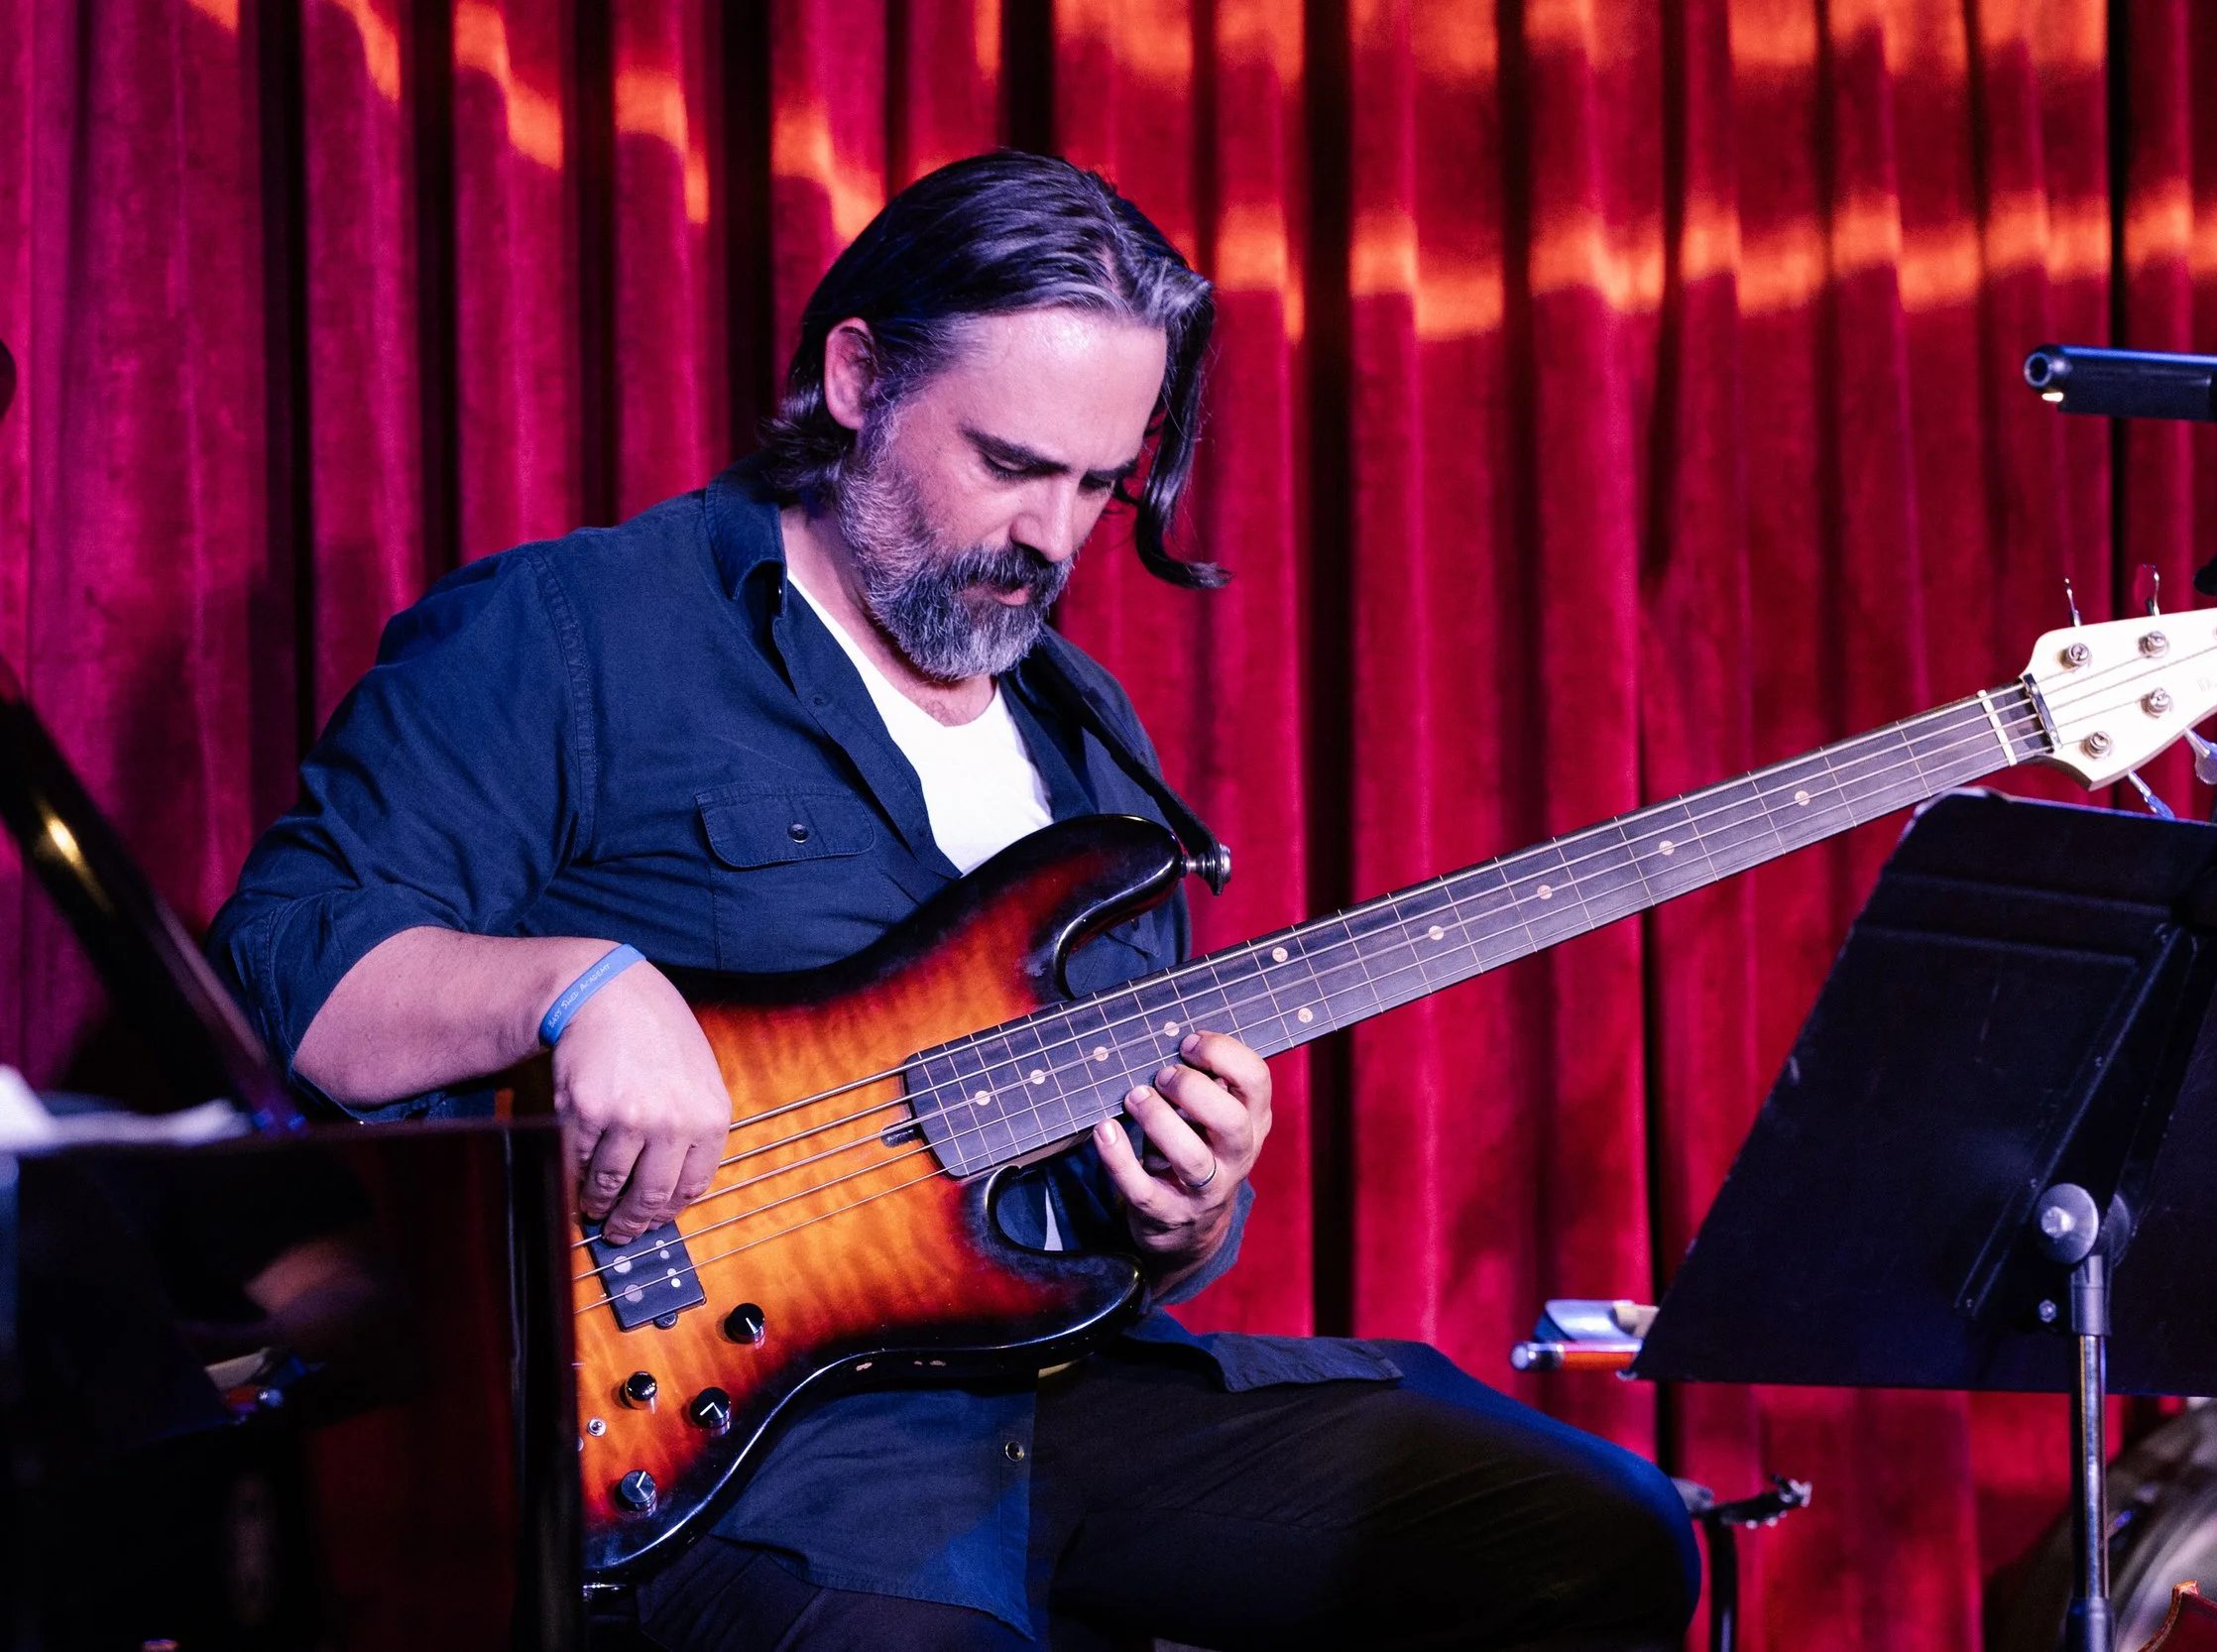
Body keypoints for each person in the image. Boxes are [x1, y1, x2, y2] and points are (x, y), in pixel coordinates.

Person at [210, 150, 1697, 1651]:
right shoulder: (580, 628)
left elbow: (1098, 1207)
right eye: (1010, 463)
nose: (1054, 536)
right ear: (858, 376)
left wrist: (1190, 1203)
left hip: (1066, 1407)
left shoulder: (1089, 737)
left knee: (1600, 1540)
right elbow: (279, 969)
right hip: (735, 1456)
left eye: (1101, 484)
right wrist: (575, 983)